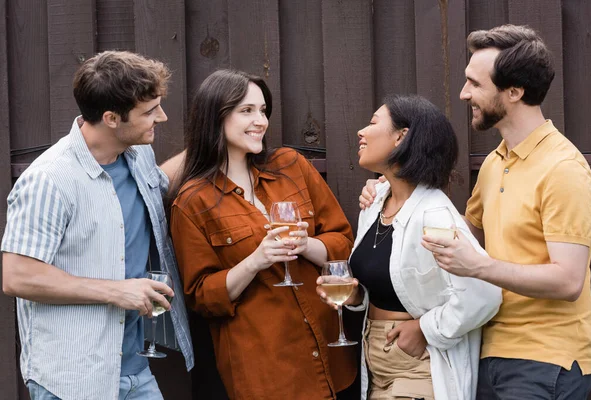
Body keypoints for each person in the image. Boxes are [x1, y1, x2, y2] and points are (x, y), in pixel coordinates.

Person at [363, 24, 591, 399]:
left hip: (543, 359)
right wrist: (388, 196)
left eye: (475, 84)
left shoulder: (563, 169)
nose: (464, 93)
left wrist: (479, 268)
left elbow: (568, 281)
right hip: (488, 351)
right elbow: (459, 236)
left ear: (514, 91)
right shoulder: (495, 162)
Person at [1, 51, 194, 400]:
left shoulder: (136, 155)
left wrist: (209, 143)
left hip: (136, 372)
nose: (161, 117)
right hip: (73, 378)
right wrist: (118, 290)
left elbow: (156, 185)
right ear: (111, 118)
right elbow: (18, 276)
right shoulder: (49, 180)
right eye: (149, 112)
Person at [169, 69, 357, 400]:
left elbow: (342, 240)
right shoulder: (192, 202)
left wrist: (307, 244)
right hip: (267, 371)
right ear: (216, 117)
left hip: (332, 358)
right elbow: (201, 296)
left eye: (263, 110)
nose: (261, 121)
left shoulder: (291, 165)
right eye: (247, 111)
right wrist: (256, 260)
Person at [322, 94, 501, 400]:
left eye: (374, 122)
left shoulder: (434, 215)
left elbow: (484, 294)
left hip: (418, 366)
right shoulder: (375, 203)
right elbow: (393, 284)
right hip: (375, 361)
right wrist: (353, 294)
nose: (361, 132)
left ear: (401, 137)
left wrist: (425, 329)